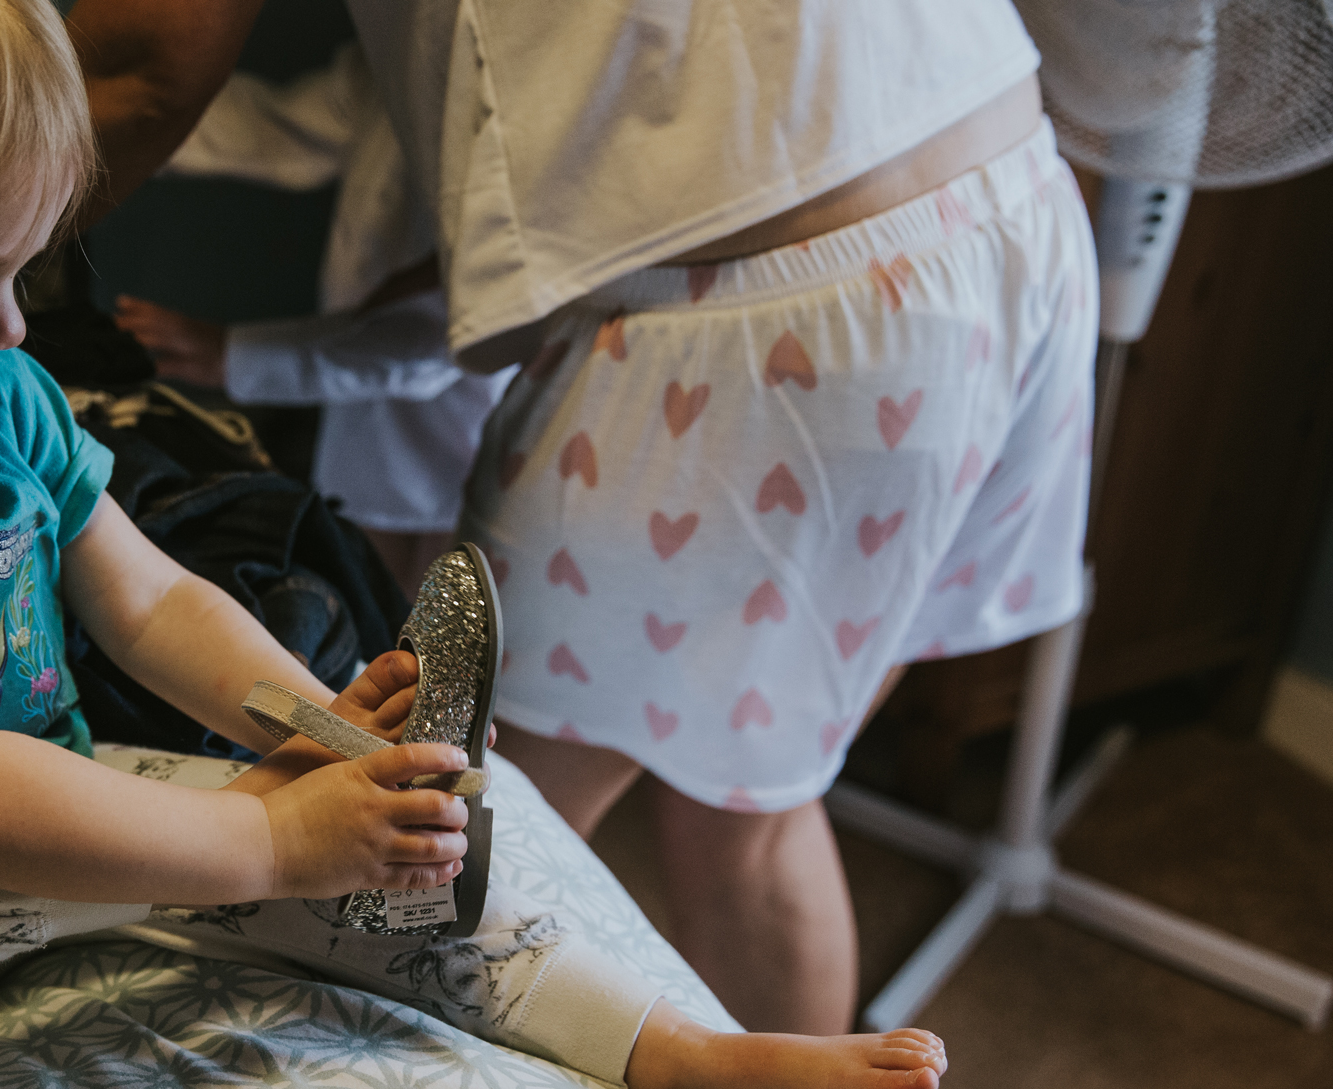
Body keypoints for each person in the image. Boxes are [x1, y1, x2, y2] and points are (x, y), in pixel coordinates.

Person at [0, 0, 947, 1089]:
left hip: (28, 887)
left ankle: (678, 1057)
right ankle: (212, 862)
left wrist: (316, 728)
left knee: (414, 830)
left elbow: (154, 604)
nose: (10, 324)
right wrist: (266, 847)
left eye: (19, 271)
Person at [67, 0, 1096, 1037]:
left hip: (766, 302)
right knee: (750, 801)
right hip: (999, 194)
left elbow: (149, 64)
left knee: (458, 826)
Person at [107, 45, 512, 599]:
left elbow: (451, 327)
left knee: (450, 639)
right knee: (378, 622)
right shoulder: (393, 56)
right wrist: (108, 114)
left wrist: (239, 355)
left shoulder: (511, 93)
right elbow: (276, 130)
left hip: (470, 435)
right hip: (365, 424)